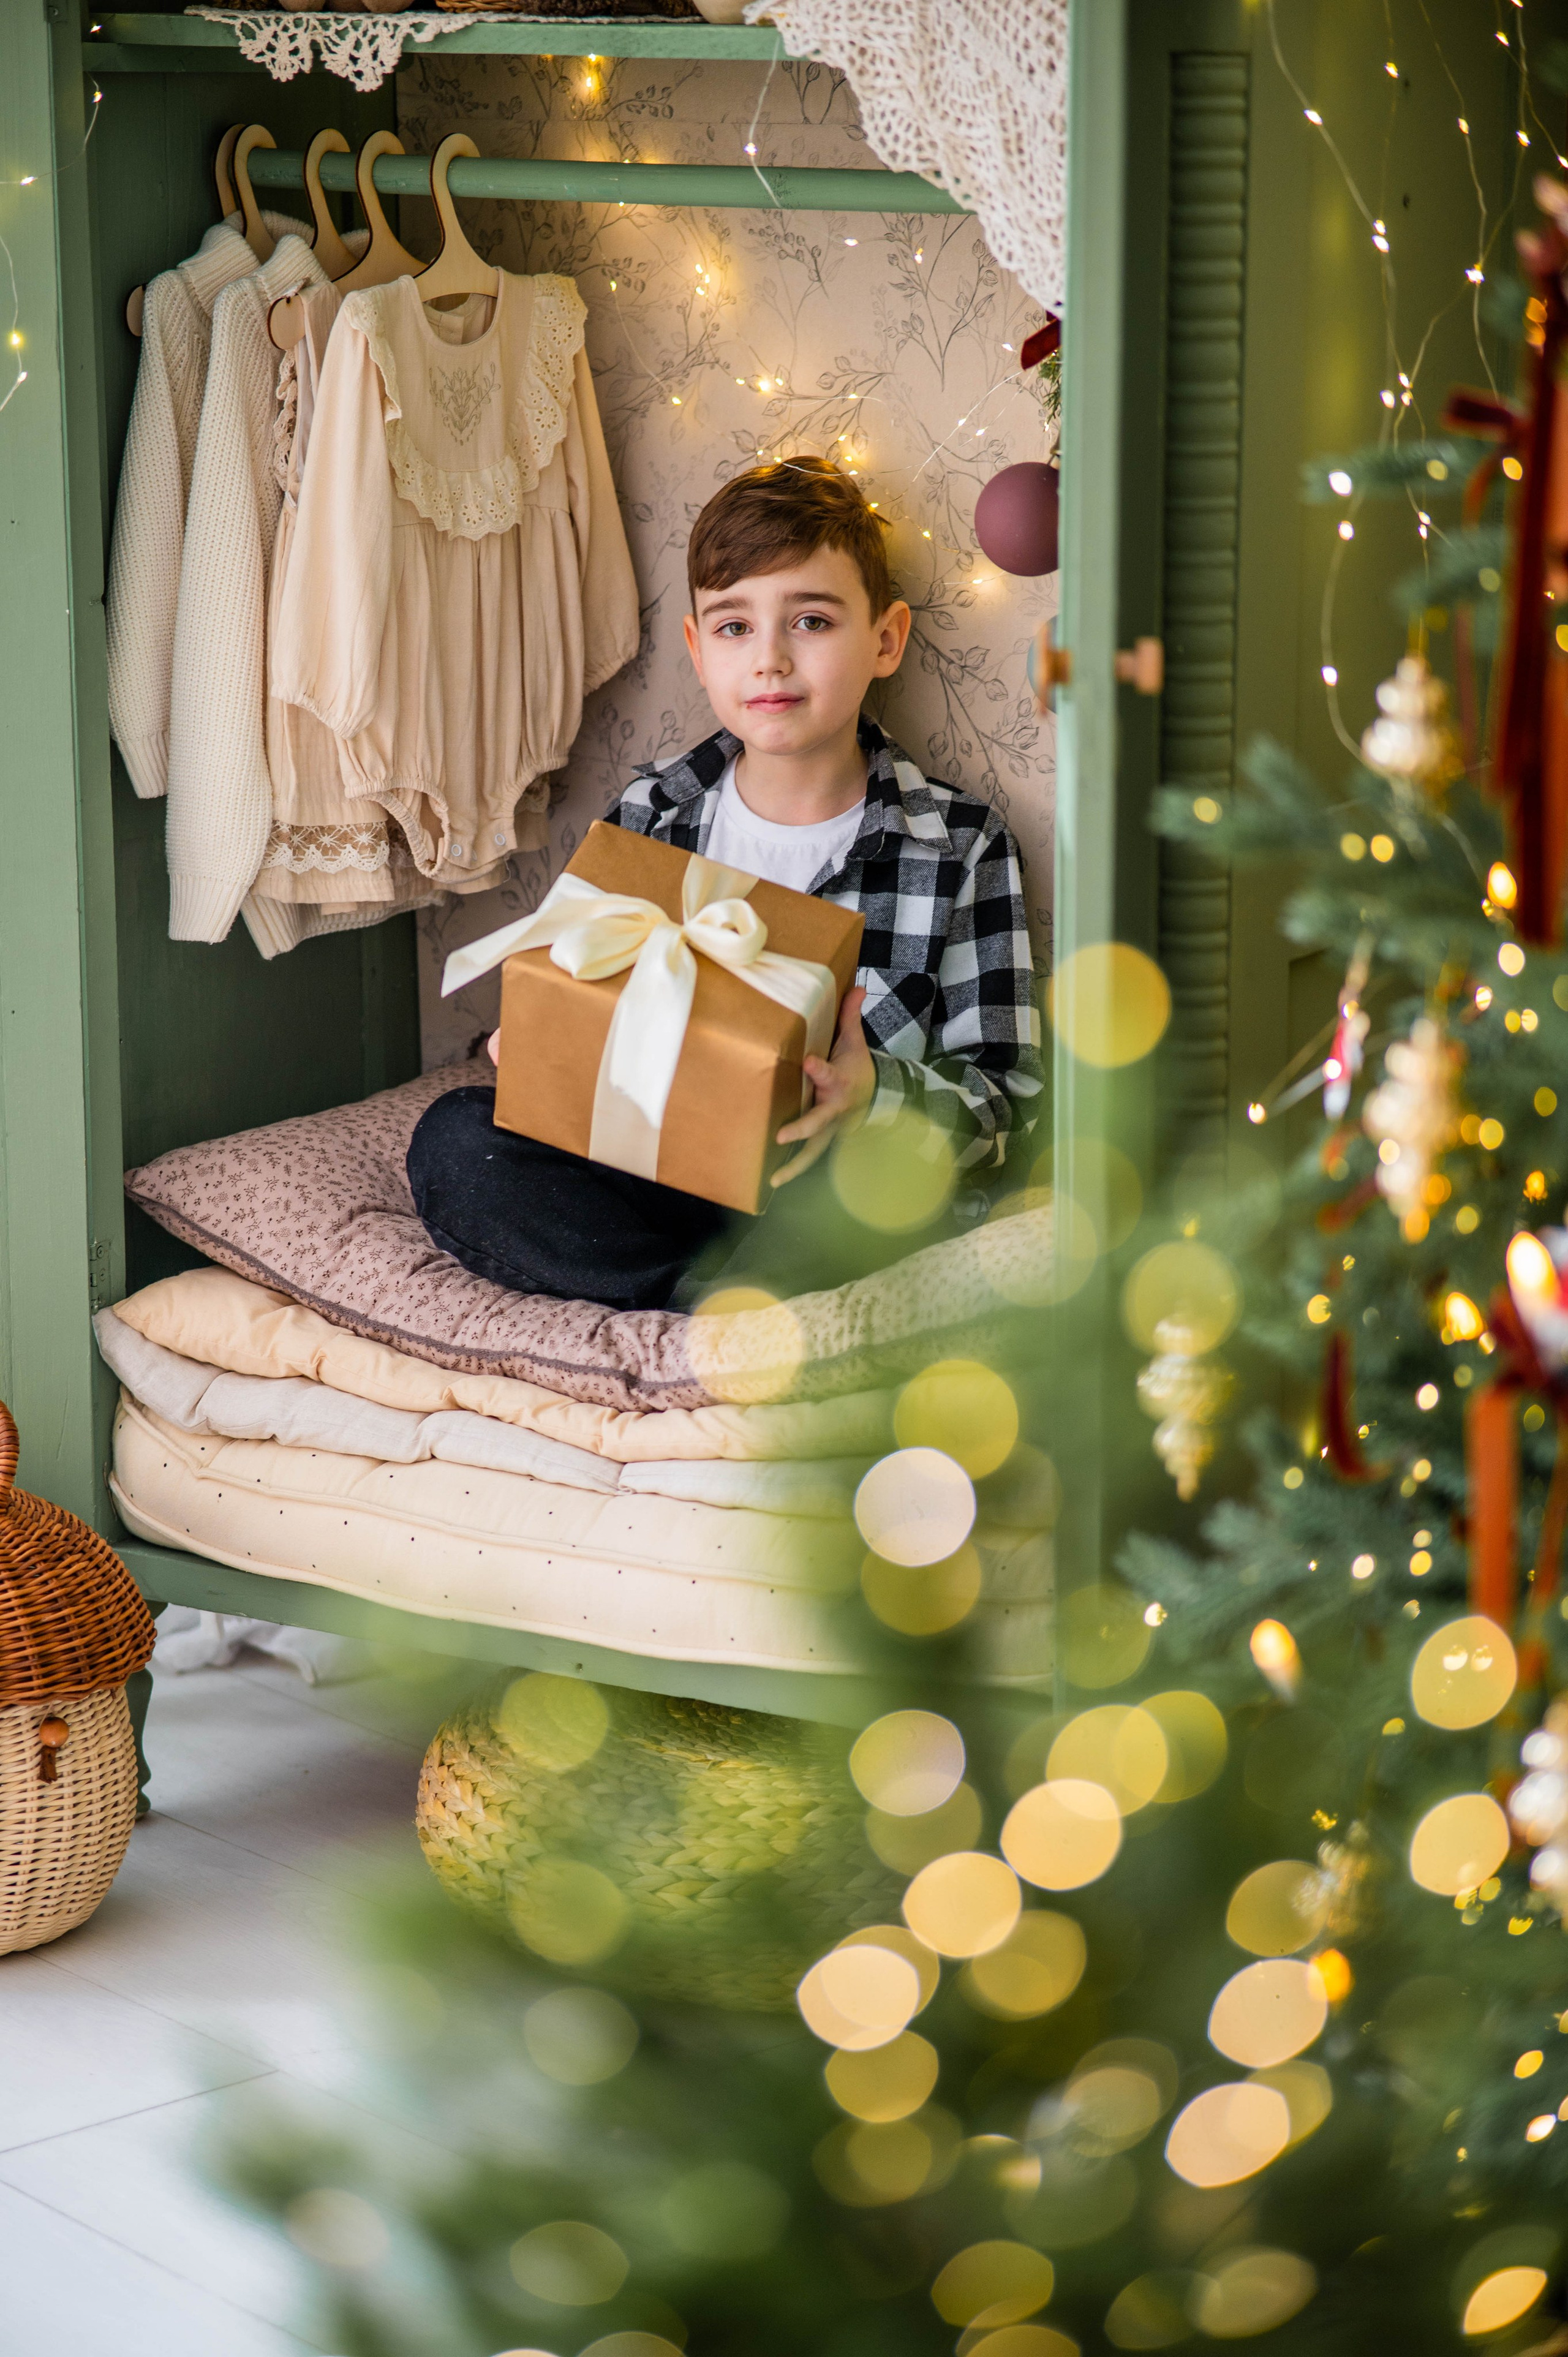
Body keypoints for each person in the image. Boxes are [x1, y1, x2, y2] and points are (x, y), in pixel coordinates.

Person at [408, 454, 1044, 1312]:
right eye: (735, 627)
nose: (770, 660)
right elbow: (569, 994)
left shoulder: (961, 847)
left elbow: (1011, 1103)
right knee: (455, 1141)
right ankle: (702, 1303)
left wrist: (873, 1094)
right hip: (659, 1178)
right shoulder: (655, 811)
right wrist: (536, 1047)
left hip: (823, 1188)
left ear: (885, 639)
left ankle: (744, 1299)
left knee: (886, 1204)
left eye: (811, 621)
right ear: (697, 649)